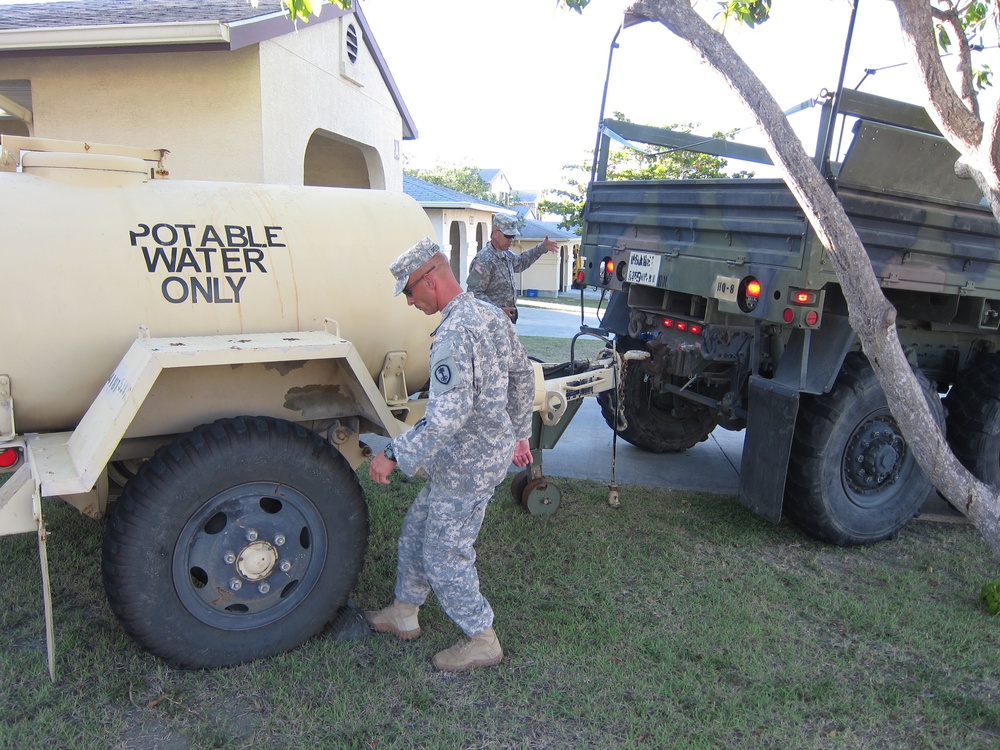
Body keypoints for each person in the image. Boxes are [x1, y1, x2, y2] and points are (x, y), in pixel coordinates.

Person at [366, 236, 535, 672]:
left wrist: (393, 453)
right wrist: (519, 433)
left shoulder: (455, 332)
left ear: (430, 279)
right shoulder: (489, 313)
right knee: (418, 527)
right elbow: (523, 376)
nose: (407, 301)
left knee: (445, 551)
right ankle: (405, 610)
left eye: (407, 291)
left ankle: (482, 638)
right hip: (471, 454)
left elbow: (446, 416)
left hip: (469, 463)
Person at [466, 213, 559, 324]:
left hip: (504, 322)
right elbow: (474, 294)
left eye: (513, 236)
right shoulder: (484, 260)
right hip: (488, 324)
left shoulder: (505, 255)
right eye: (508, 236)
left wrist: (541, 248)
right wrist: (499, 311)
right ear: (495, 233)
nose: (511, 240)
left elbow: (521, 262)